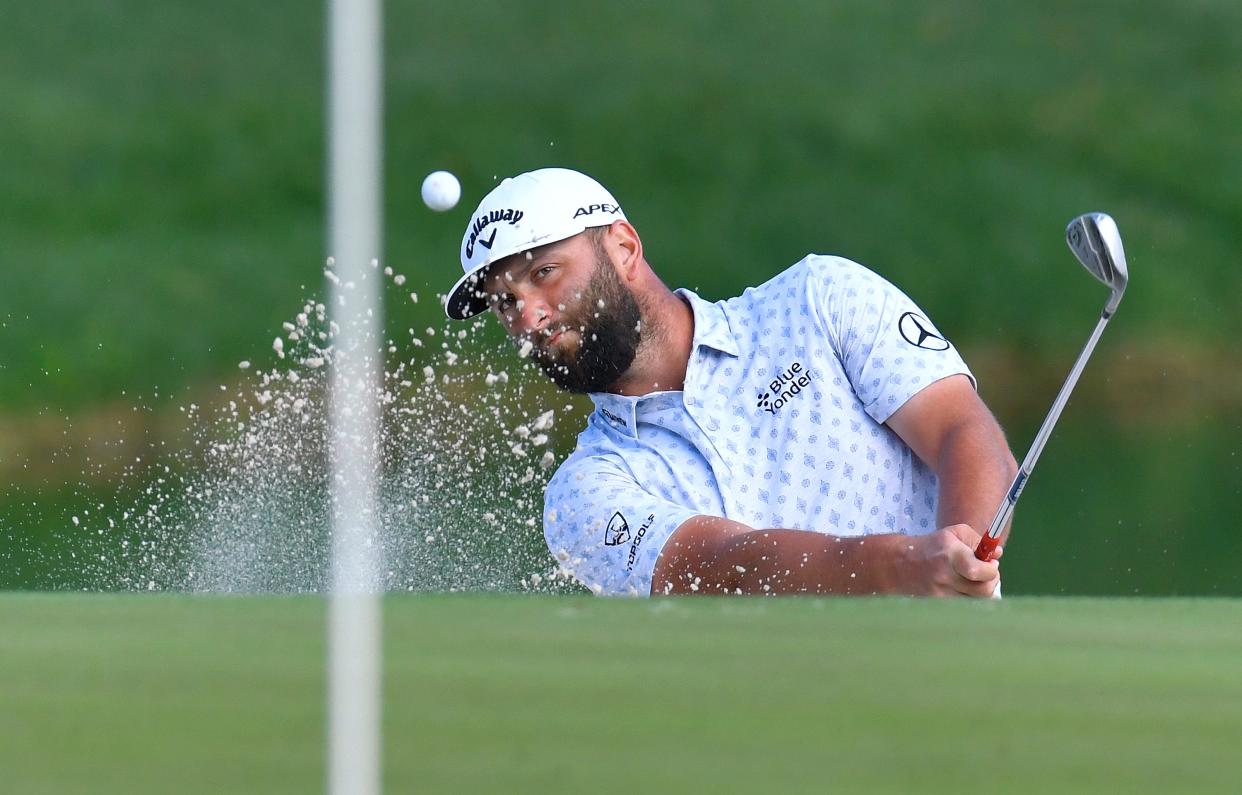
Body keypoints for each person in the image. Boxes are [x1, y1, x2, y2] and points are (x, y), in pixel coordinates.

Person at [445, 167, 1017, 597]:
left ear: (623, 247)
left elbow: (959, 429)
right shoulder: (582, 494)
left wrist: (963, 560)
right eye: (505, 303)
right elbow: (725, 564)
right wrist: (899, 565)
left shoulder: (822, 299)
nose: (528, 318)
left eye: (544, 274)